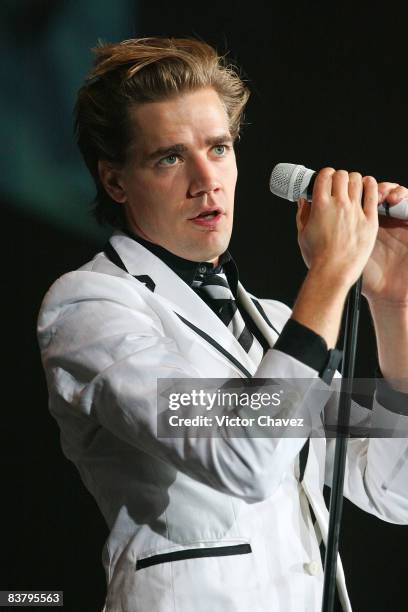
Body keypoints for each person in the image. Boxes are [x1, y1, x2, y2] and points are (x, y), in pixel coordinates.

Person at [37, 37, 408, 612]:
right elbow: (243, 457)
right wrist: (333, 274)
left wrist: (391, 302)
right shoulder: (90, 306)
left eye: (218, 148)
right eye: (169, 157)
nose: (205, 179)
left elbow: (393, 488)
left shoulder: (275, 324)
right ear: (115, 181)